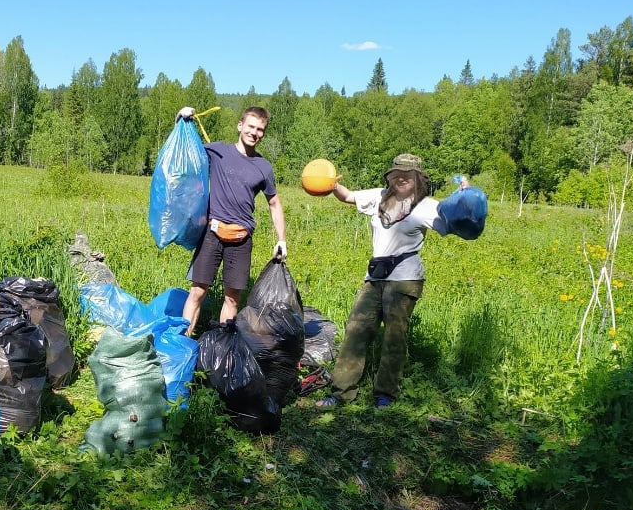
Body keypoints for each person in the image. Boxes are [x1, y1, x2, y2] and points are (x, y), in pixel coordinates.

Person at [315, 153, 450, 409]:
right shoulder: (379, 196)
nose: (401, 178)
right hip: (375, 278)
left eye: (407, 175)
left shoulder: (427, 206)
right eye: (396, 173)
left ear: (418, 179)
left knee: (394, 336)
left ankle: (385, 395)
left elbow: (453, 224)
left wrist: (465, 204)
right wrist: (330, 183)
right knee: (356, 330)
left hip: (405, 278)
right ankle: (341, 392)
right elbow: (348, 196)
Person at [176, 105, 287, 337]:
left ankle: (222, 349)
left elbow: (274, 203)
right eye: (251, 127)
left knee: (232, 299)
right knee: (197, 291)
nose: (254, 133)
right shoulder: (218, 151)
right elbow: (185, 149)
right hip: (211, 234)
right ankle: (181, 345)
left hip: (241, 239)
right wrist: (182, 118)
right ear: (240, 126)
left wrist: (281, 240)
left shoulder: (263, 168)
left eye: (260, 129)